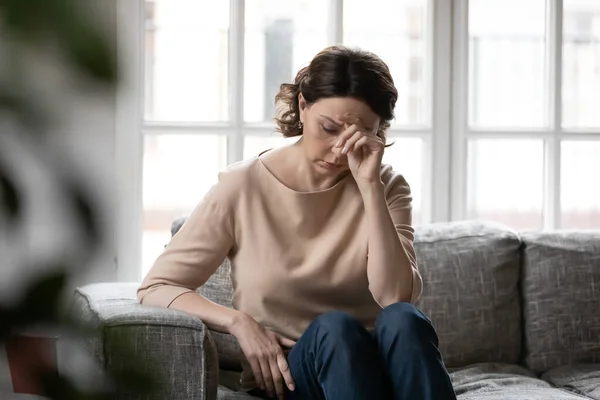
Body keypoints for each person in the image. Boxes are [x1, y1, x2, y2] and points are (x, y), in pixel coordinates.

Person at [138, 45, 456, 400]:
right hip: (294, 374)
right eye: (329, 128)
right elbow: (156, 287)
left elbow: (394, 296)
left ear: (378, 131)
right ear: (303, 106)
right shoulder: (242, 186)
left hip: (383, 370)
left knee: (404, 320)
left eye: (358, 134)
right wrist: (238, 322)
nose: (339, 150)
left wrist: (370, 188)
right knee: (335, 329)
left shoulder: (387, 187)